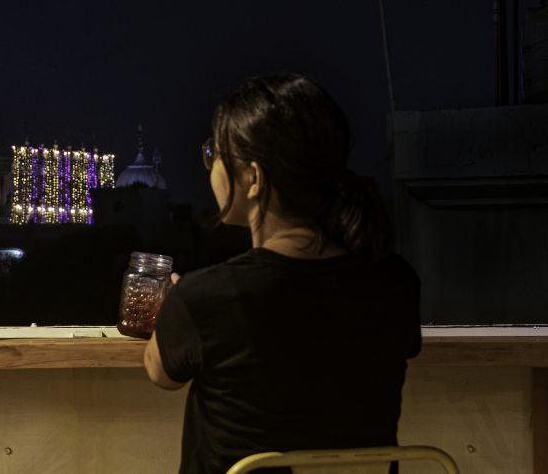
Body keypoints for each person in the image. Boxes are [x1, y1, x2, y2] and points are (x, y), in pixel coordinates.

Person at [143, 73, 421, 474]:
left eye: (215, 153)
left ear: (253, 178)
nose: (210, 166)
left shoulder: (207, 298)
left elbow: (160, 373)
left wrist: (170, 307)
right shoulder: (395, 282)